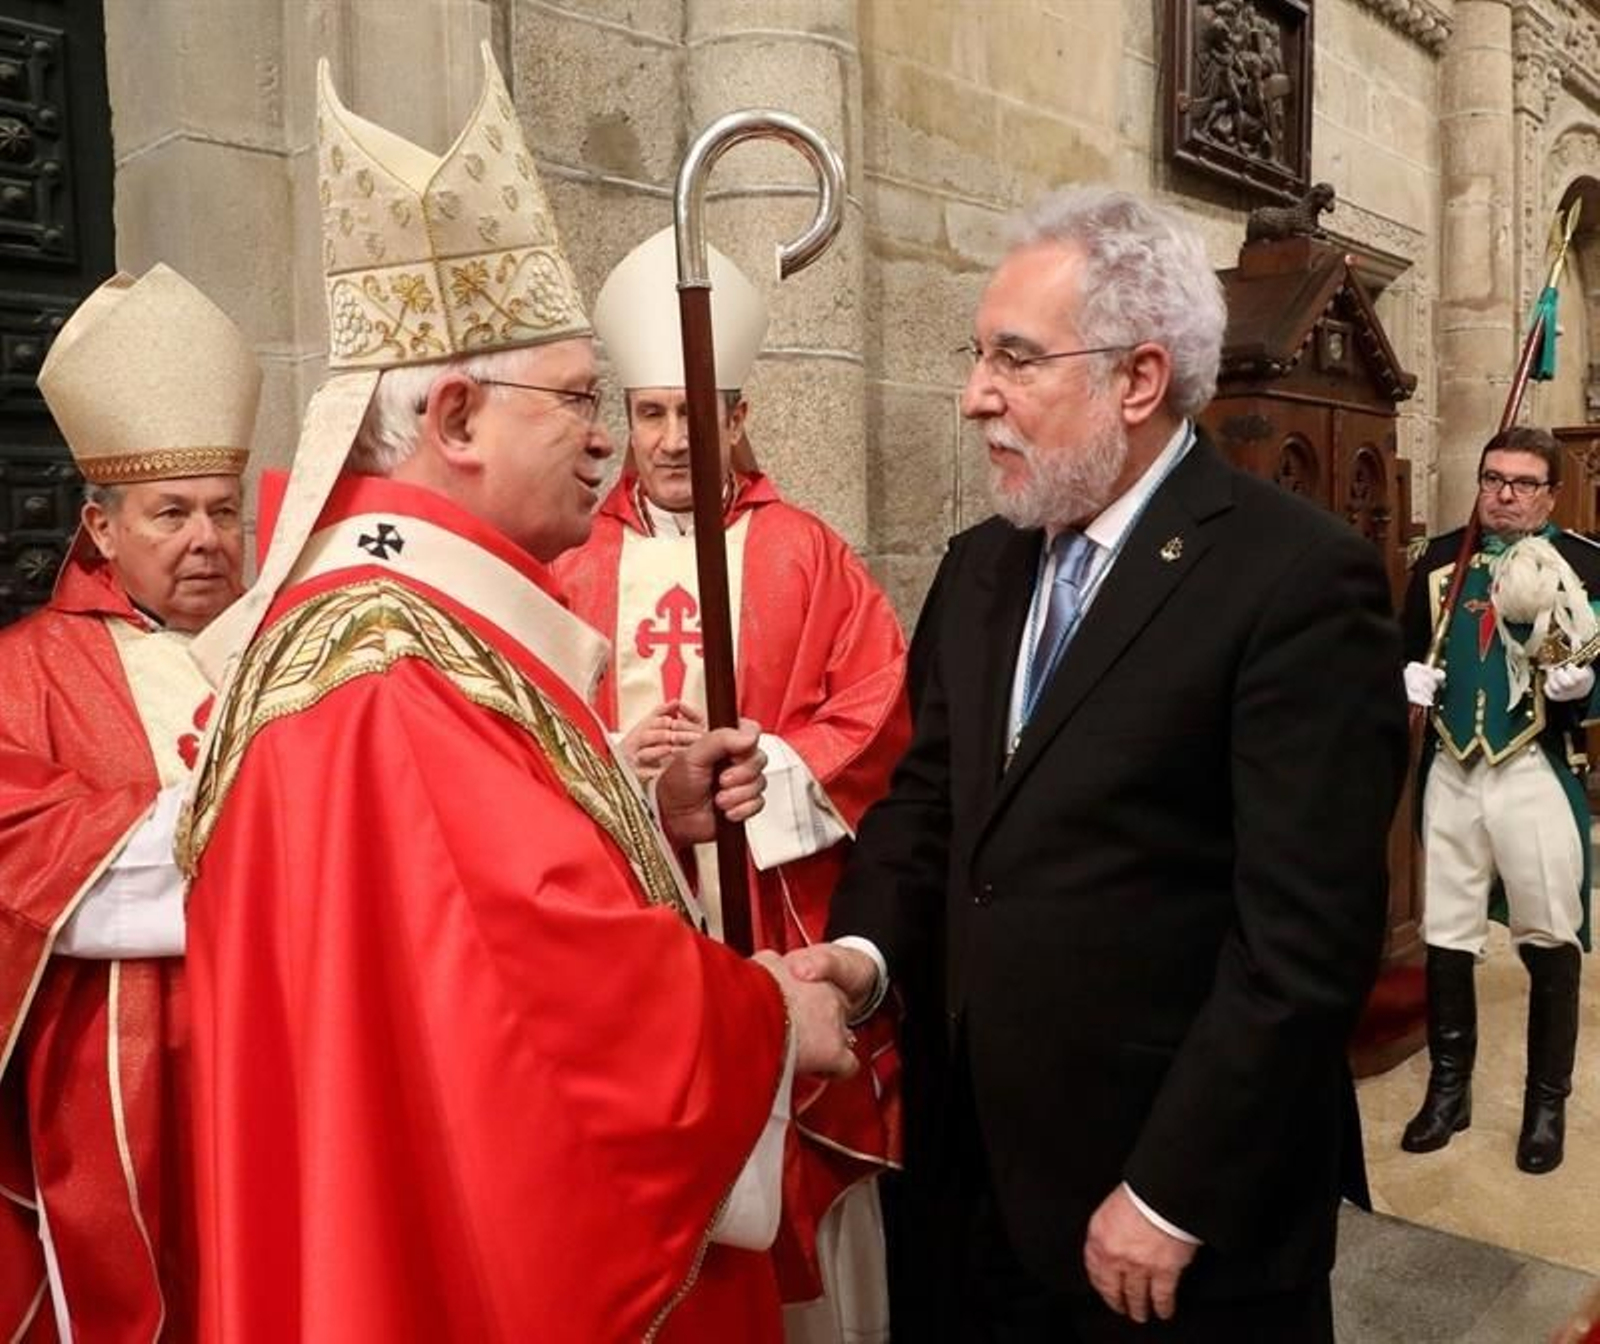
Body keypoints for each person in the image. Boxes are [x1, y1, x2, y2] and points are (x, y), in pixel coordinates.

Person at [177, 45, 855, 1344]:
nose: (605, 438)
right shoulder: (388, 666)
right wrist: (769, 1015)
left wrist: (650, 809)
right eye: (581, 400)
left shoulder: (394, 627)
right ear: (455, 416)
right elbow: (552, 996)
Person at [789, 185, 1408, 1342]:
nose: (975, 395)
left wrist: (1175, 1189)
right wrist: (863, 959)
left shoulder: (1293, 582)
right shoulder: (980, 567)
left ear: (1135, 379)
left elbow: (1302, 940)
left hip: (1167, 1215)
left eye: (1015, 361)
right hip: (971, 1175)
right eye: (977, 355)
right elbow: (932, 807)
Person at [552, 226, 911, 1343]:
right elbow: (533, 740)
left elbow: (882, 712)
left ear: (738, 416)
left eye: (692, 413)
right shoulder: (567, 564)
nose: (669, 438)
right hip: (640, 930)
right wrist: (625, 765)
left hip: (772, 904)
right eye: (648, 413)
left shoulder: (810, 554)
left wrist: (776, 767)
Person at [0, 263, 260, 1341]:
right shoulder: (28, 668)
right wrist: (254, 843)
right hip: (119, 1069)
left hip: (280, 1040)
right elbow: (19, 840)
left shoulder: (288, 650)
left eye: (221, 510)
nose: (205, 538)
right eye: (171, 514)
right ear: (102, 529)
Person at [1400, 425, 1599, 1174]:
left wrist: (1588, 687)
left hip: (1532, 771)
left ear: (1551, 492)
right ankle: (1449, 1093)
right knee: (1448, 930)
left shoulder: (1584, 565)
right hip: (1452, 770)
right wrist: (1404, 677)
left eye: (1522, 483)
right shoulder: (1439, 560)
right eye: (1493, 479)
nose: (1504, 495)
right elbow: (1405, 647)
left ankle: (1545, 1105)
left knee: (1548, 932)